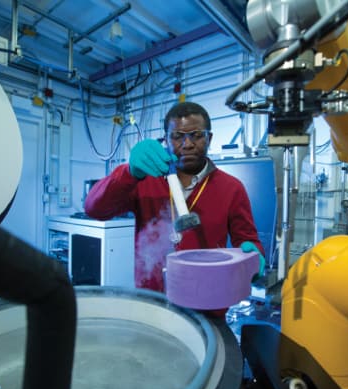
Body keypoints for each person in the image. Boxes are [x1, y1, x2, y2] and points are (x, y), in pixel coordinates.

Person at [84, 101, 265, 305]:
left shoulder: (231, 188)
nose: (187, 144)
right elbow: (94, 209)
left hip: (207, 303)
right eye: (177, 136)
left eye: (196, 135)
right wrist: (127, 172)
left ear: (209, 138)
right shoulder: (145, 181)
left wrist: (254, 255)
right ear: (166, 140)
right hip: (152, 302)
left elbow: (247, 240)